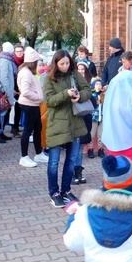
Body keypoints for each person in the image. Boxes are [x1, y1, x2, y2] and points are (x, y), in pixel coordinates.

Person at [42, 49, 90, 208]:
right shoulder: (49, 78)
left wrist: (79, 96)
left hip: (75, 122)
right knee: (54, 161)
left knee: (71, 160)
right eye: (62, 63)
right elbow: (48, 101)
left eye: (67, 63)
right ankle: (54, 193)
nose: (65, 66)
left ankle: (66, 190)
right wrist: (65, 94)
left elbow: (87, 90)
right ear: (55, 64)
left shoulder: (74, 74)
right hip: (57, 124)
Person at [17, 47, 44, 169]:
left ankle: (38, 153)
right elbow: (25, 91)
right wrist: (38, 97)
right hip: (29, 104)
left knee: (38, 128)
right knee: (28, 131)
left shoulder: (27, 71)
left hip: (32, 104)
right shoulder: (26, 73)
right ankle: (24, 157)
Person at [73, 60, 94, 185]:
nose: (81, 71)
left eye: (83, 69)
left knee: (80, 148)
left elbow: (94, 103)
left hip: (85, 118)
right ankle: (72, 172)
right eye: (79, 69)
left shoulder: (90, 85)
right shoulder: (72, 84)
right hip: (75, 118)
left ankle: (78, 171)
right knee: (75, 148)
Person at [0, 42, 17, 143]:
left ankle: (0, 132)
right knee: (2, 113)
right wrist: (8, 92)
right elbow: (4, 78)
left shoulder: (6, 60)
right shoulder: (5, 61)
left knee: (4, 113)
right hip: (4, 92)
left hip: (6, 90)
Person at [86, 77, 105, 159]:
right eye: (97, 84)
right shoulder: (92, 95)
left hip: (102, 117)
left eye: (100, 84)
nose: (98, 85)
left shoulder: (104, 94)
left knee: (101, 134)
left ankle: (101, 149)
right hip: (94, 117)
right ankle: (90, 149)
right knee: (92, 134)